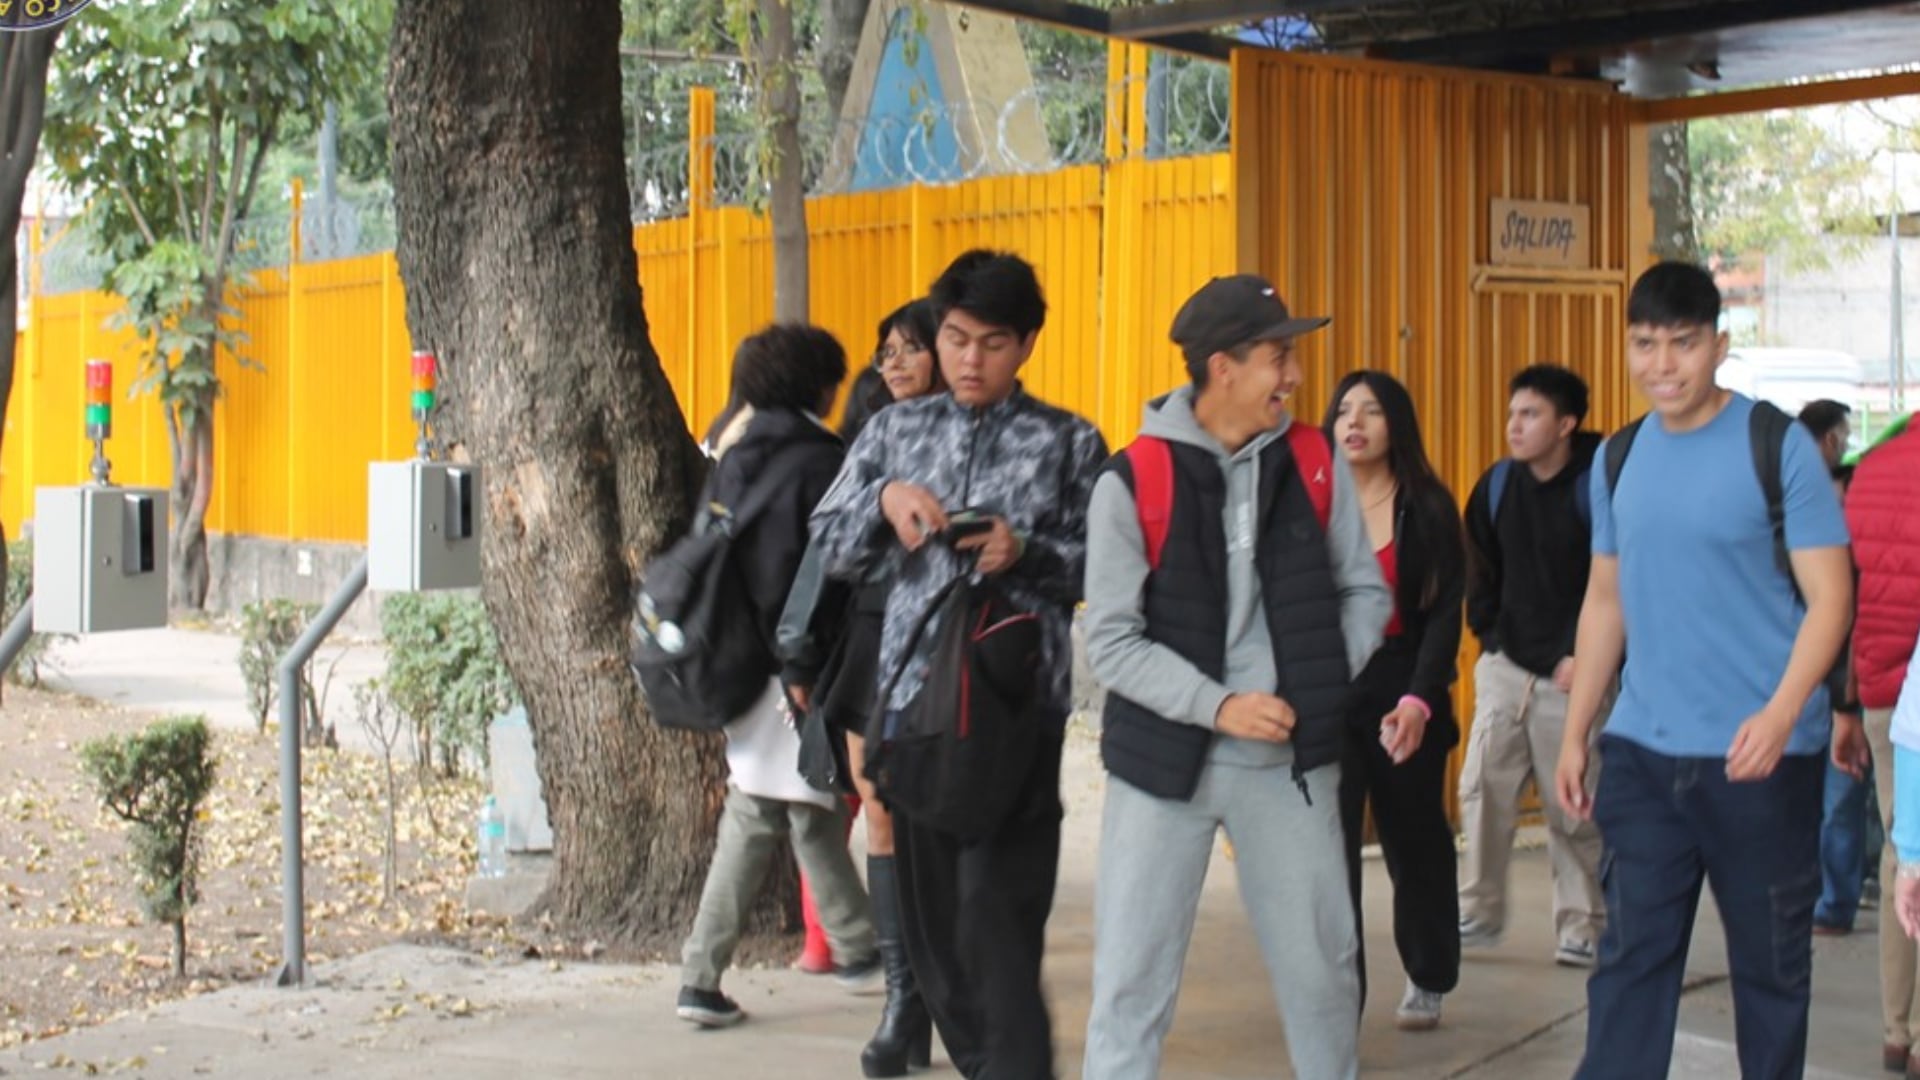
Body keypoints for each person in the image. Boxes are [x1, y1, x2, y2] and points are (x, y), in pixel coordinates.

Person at [1079, 275, 1391, 1079]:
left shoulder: (1315, 460)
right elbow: (1110, 642)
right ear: (1222, 366)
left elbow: (1364, 589)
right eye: (1277, 357)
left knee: (1324, 972)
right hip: (1162, 771)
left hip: (1288, 771)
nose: (1292, 376)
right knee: (1130, 982)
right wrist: (1219, 706)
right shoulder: (1131, 480)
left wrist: (1318, 681)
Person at [810, 250, 1108, 1078]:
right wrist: (882, 501)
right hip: (912, 706)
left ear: (1028, 345)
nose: (970, 360)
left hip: (1017, 710)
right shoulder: (893, 432)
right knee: (940, 931)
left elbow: (1110, 568)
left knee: (1000, 924)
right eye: (955, 339)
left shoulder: (1069, 442)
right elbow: (828, 545)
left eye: (993, 343)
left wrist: (1026, 551)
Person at [1554, 261, 1853, 1079]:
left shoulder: (1776, 445)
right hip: (1645, 756)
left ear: (1718, 346)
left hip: (1762, 762)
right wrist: (1579, 730)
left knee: (1770, 972)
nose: (1663, 364)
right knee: (1630, 969)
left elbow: (1832, 596)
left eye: (1683, 344)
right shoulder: (1618, 458)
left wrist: (1784, 710)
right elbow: (1605, 601)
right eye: (1645, 344)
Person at [674, 324, 881, 1029]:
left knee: (792, 807)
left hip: (732, 659)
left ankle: (850, 950)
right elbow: (812, 573)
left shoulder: (730, 449)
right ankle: (712, 975)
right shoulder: (820, 460)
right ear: (816, 387)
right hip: (789, 666)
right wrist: (803, 666)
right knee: (773, 809)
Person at [781, 298, 946, 1077]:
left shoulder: (990, 435)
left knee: (942, 827)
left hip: (953, 644)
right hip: (873, 639)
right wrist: (799, 652)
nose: (897, 363)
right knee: (877, 813)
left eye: (913, 348)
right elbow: (824, 547)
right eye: (888, 351)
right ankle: (901, 1006)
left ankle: (949, 997)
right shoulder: (873, 435)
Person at [1319, 370, 1462, 1030]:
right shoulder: (1309, 502)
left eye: (1371, 411)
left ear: (1394, 424)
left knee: (1415, 839)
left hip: (1403, 686)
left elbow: (1442, 615)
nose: (1355, 422)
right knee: (1328, 846)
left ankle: (1429, 972)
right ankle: (1338, 995)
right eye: (1345, 410)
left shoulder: (1427, 505)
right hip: (1328, 689)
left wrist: (1419, 698)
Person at [1456, 364, 1609, 969]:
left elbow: (1618, 587)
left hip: (1575, 676)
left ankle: (1582, 923)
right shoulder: (1495, 487)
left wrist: (1591, 662)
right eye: (1512, 412)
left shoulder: (1598, 490)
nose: (1514, 425)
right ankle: (1479, 908)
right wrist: (1491, 639)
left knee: (1572, 802)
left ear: (1566, 424)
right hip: (1506, 668)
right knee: (1480, 787)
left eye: (1531, 415)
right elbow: (1480, 574)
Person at [1844, 410, 1920, 1074]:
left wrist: (1847, 705)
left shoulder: (1874, 466)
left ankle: (1900, 1029)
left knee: (1905, 848)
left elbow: (1848, 592)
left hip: (1886, 692)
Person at [1798, 399, 1872, 938]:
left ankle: (1834, 901)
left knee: (1839, 797)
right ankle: (1827, 896)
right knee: (1828, 800)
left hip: (1842, 680)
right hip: (1810, 681)